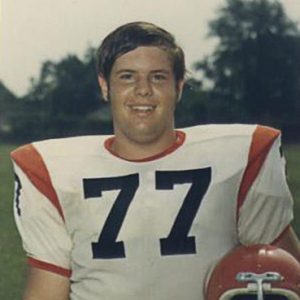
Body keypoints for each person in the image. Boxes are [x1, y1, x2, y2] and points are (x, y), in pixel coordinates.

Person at [11, 21, 300, 300]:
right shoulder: (55, 172)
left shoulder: (239, 157)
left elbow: (284, 271)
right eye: (127, 76)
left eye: (158, 76)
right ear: (104, 86)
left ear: (180, 86)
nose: (143, 89)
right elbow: (47, 291)